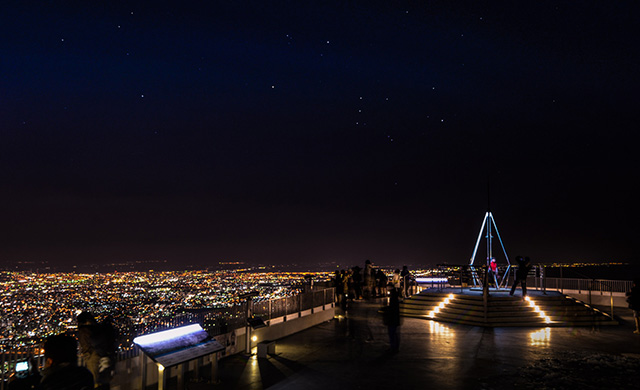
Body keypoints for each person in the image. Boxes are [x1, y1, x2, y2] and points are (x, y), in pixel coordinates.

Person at [77, 312, 115, 389]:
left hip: (92, 356)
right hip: (99, 355)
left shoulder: (84, 330)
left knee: (94, 381)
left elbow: (88, 344)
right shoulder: (96, 329)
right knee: (101, 380)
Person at [382, 288, 401, 352]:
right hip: (394, 319)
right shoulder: (395, 300)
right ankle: (395, 346)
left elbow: (392, 309)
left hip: (392, 319)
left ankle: (393, 347)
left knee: (392, 333)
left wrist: (385, 309)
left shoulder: (393, 300)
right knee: (394, 333)